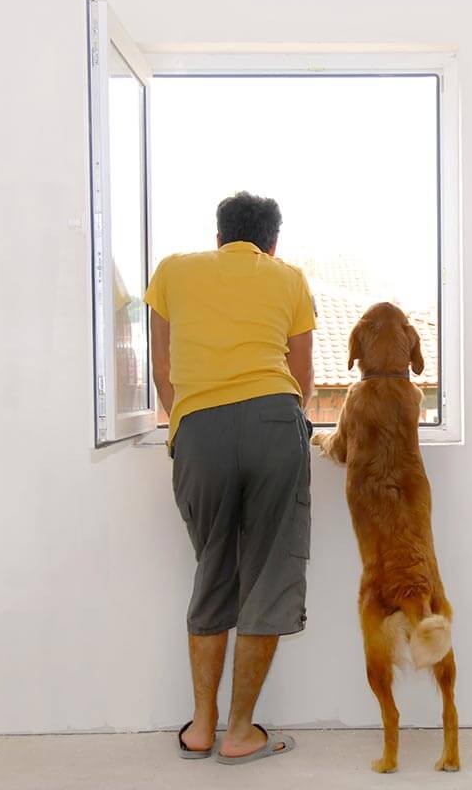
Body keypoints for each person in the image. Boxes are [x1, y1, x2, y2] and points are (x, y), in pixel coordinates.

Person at [145, 192, 315, 764]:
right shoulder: (288, 278)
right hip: (272, 420)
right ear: (271, 243)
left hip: (200, 430)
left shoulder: (172, 271)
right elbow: (303, 374)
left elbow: (161, 367)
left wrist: (186, 421)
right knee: (267, 572)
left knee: (214, 567)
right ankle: (242, 733)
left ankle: (201, 727)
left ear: (218, 237)